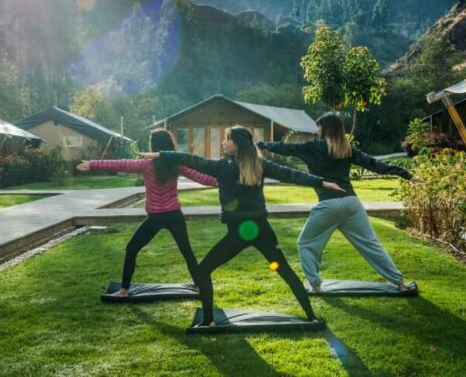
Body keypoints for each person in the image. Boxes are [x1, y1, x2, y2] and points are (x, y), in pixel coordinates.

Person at [141, 125, 345, 326]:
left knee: (203, 271)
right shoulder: (259, 164)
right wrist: (322, 182)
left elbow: (189, 159)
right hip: (261, 230)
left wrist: (161, 154)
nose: (223, 142)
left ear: (236, 144)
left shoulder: (222, 166)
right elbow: (291, 174)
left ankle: (209, 322)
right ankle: (312, 317)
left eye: (227, 139)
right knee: (285, 271)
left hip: (239, 233)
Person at [257, 113, 413, 293]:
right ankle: (400, 284)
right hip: (351, 203)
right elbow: (375, 165)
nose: (317, 131)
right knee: (370, 244)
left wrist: (261, 145)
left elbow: (285, 148)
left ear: (326, 128)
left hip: (328, 205)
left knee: (306, 243)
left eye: (319, 127)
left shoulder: (312, 147)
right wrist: (407, 174)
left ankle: (315, 285)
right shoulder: (347, 149)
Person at [76, 129, 217, 297]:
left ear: (154, 146)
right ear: (169, 145)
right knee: (187, 252)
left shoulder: (146, 164)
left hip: (156, 218)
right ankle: (199, 287)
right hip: (174, 215)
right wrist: (227, 181)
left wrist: (92, 164)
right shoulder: (176, 164)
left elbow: (120, 164)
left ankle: (124, 291)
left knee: (132, 249)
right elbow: (201, 177)